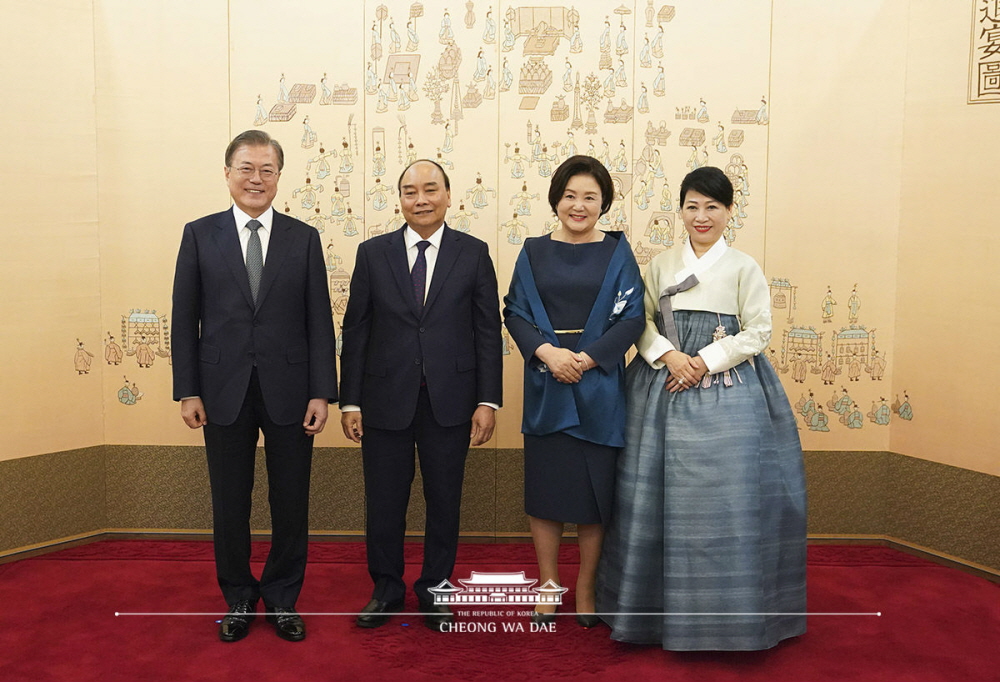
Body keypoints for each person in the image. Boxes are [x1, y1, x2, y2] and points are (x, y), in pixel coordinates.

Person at [596, 166, 806, 651]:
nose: (702, 215)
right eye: (692, 205)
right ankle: (648, 615)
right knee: (646, 496)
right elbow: (637, 321)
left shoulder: (743, 267)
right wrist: (670, 356)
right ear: (681, 210)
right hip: (659, 383)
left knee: (728, 499)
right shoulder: (659, 264)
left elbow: (757, 331)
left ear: (730, 211)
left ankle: (731, 618)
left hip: (728, 389)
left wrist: (705, 361)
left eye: (712, 206)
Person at [171, 130, 338, 643]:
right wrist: (188, 390)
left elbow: (318, 320)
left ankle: (284, 597)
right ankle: (240, 597)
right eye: (246, 168)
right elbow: (185, 318)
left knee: (291, 500)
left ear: (279, 177)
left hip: (291, 390)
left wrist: (320, 391)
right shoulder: (199, 234)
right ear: (227, 174)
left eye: (267, 170)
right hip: (222, 390)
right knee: (230, 501)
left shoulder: (303, 237)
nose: (256, 179)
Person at [339, 159, 503, 632]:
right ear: (400, 200)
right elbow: (357, 330)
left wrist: (487, 400)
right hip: (384, 401)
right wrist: (350, 401)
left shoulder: (473, 253)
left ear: (449, 196)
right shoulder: (373, 254)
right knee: (384, 502)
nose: (421, 199)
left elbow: (486, 331)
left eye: (431, 190)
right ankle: (386, 590)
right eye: (411, 191)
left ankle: (435, 590)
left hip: (450, 402)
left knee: (444, 500)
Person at [503, 156, 644, 628]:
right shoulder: (533, 251)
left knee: (593, 497)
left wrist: (585, 359)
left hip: (600, 386)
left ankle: (585, 585)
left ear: (603, 203)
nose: (578, 205)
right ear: (556, 198)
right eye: (570, 195)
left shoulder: (618, 251)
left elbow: (632, 318)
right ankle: (547, 584)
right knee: (545, 493)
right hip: (546, 381)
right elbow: (515, 311)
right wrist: (548, 353)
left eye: (590, 197)